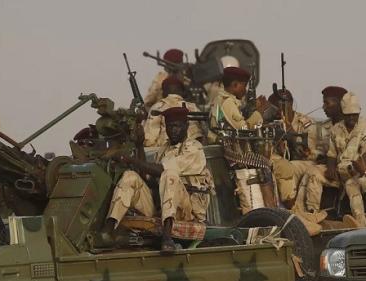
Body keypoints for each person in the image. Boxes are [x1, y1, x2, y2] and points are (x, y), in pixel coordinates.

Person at [103, 106, 213, 253]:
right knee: (130, 176)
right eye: (169, 126)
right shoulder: (164, 149)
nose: (173, 130)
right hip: (162, 207)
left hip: (187, 211)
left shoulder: (194, 148)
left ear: (186, 126)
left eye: (177, 126)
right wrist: (139, 145)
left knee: (169, 175)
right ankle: (108, 230)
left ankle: (167, 238)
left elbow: (162, 170)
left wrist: (130, 159)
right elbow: (147, 178)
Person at [302, 93, 366, 227]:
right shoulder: (336, 129)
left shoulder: (364, 127)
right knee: (313, 173)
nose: (351, 117)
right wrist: (330, 168)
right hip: (339, 171)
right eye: (348, 114)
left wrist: (360, 170)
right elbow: (331, 153)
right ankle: (312, 215)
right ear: (343, 113)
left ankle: (360, 223)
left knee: (351, 185)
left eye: (354, 114)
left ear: (359, 112)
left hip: (357, 172)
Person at [208, 66, 264, 143]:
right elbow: (243, 130)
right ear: (235, 85)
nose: (245, 90)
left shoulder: (221, 99)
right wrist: (259, 113)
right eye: (244, 85)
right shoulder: (227, 102)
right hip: (227, 146)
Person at [143, 75, 203, 147]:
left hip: (169, 149)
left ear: (164, 92)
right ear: (182, 92)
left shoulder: (158, 108)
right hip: (195, 148)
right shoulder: (193, 107)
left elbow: (149, 139)